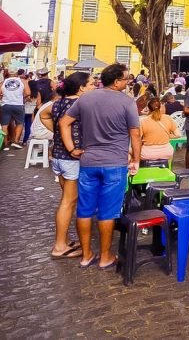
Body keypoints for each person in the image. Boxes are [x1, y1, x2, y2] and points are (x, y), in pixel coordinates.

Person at [60, 63, 140, 270]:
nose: (128, 82)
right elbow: (135, 134)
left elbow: (64, 122)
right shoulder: (127, 102)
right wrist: (136, 160)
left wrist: (71, 148)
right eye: (125, 79)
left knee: (84, 210)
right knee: (108, 212)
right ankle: (105, 256)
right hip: (115, 164)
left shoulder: (85, 98)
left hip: (88, 163)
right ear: (116, 81)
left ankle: (86, 255)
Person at [43, 71, 92, 258]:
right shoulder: (81, 105)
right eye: (90, 85)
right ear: (81, 87)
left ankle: (64, 239)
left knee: (68, 199)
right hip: (72, 158)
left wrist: (56, 133)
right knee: (68, 201)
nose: (94, 88)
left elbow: (43, 116)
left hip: (58, 156)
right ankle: (60, 245)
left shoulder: (57, 103)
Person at [138, 98, 179, 162]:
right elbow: (178, 135)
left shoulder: (143, 121)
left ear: (148, 108)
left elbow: (138, 139)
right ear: (160, 107)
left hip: (148, 154)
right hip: (166, 152)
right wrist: (168, 136)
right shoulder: (168, 118)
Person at [0, 69, 28, 150]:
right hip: (18, 105)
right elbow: (28, 93)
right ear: (17, 74)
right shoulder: (23, 81)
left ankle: (6, 144)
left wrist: (4, 98)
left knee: (5, 125)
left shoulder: (3, 82)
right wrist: (21, 98)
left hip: (5, 105)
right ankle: (16, 141)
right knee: (19, 123)